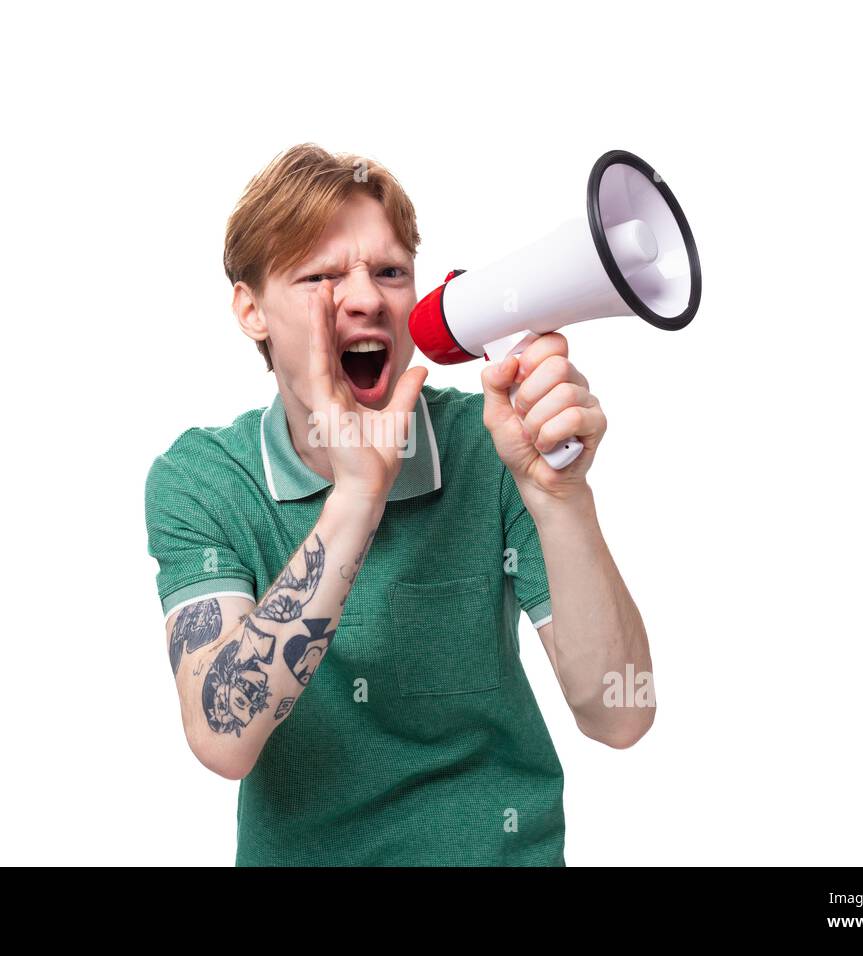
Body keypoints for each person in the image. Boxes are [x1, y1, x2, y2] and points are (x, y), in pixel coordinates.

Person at [145, 144, 655, 866]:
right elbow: (222, 737)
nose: (363, 299)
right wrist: (358, 496)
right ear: (250, 309)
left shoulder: (489, 447)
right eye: (320, 276)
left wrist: (559, 497)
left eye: (389, 272)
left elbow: (620, 714)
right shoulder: (203, 479)